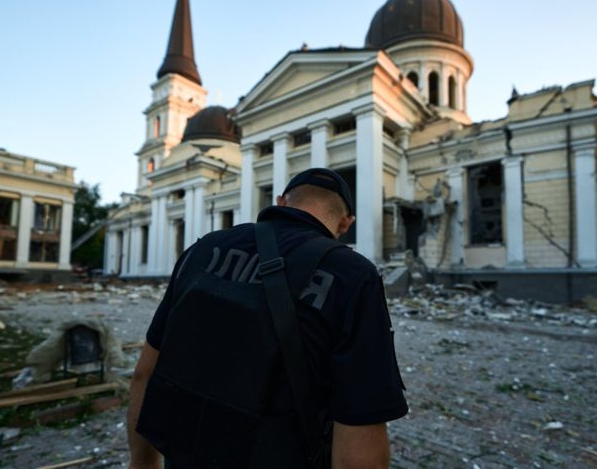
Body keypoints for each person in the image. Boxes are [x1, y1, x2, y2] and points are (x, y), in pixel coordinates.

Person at [127, 168, 408, 468]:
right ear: (345, 222)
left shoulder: (203, 249)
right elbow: (358, 433)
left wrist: (142, 463)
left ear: (281, 202)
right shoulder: (352, 275)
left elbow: (146, 373)